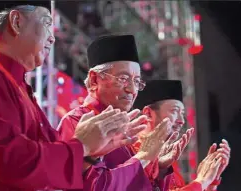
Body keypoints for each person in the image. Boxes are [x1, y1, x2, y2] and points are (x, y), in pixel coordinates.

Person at [0, 1, 141, 190]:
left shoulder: (18, 86)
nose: (52, 38)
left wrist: (91, 152)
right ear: (16, 22)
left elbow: (48, 165)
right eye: (47, 23)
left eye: (137, 81)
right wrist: (82, 145)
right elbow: (14, 164)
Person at [57, 34, 189, 190]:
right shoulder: (77, 122)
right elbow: (96, 186)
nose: (132, 90)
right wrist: (144, 157)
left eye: (136, 81)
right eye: (123, 78)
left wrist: (159, 168)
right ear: (94, 80)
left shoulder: (125, 128)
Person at [133, 80, 231, 190]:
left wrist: (210, 182)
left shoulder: (167, 159)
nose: (181, 121)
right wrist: (202, 181)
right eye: (174, 111)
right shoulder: (132, 153)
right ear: (148, 113)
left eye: (182, 113)